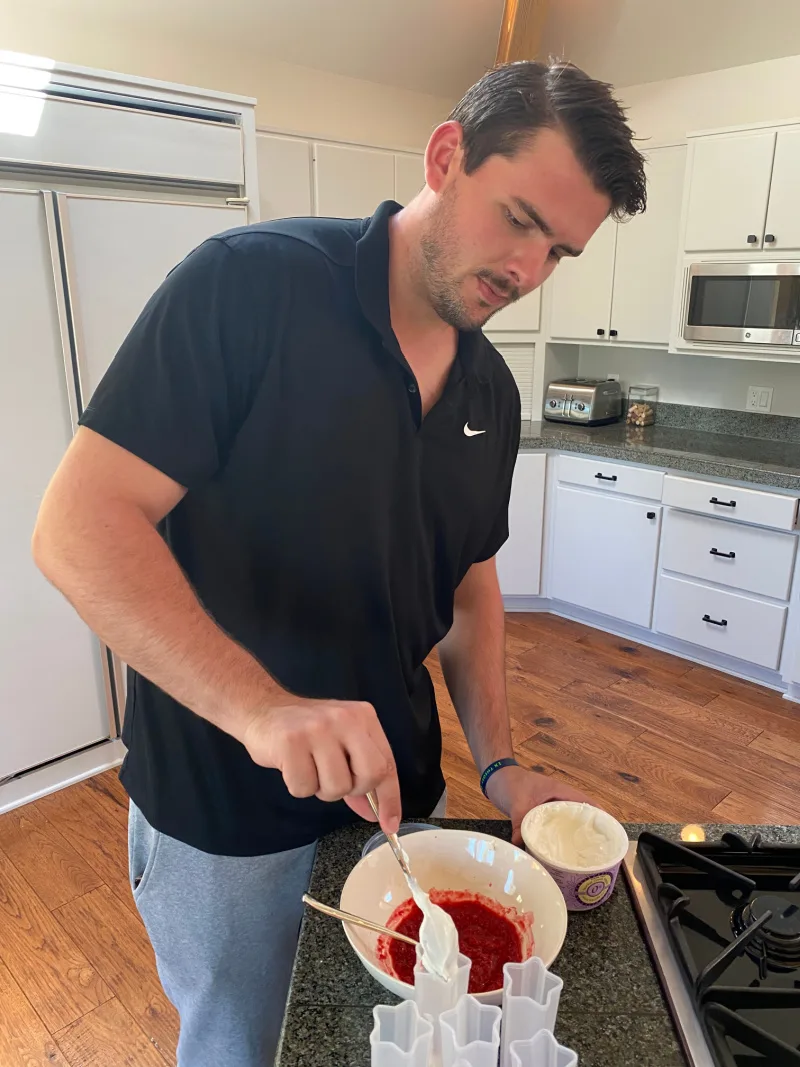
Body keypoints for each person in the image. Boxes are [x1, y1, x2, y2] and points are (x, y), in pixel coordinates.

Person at [33, 59, 646, 1067]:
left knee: (380, 1042)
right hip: (225, 815)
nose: (529, 269)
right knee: (242, 1047)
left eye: (559, 251)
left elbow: (466, 589)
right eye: (518, 220)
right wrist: (262, 708)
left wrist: (497, 762)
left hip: (403, 802)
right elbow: (77, 526)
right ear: (446, 156)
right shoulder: (249, 287)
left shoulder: (489, 390)